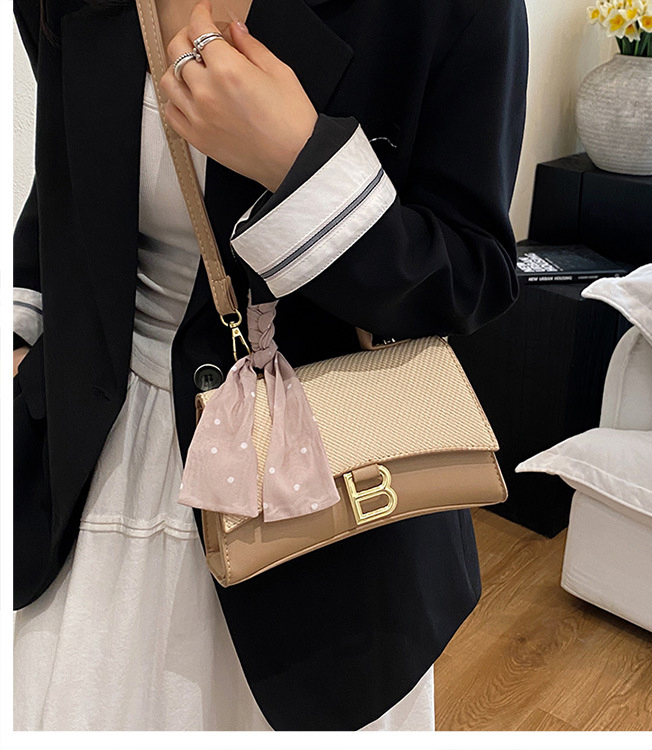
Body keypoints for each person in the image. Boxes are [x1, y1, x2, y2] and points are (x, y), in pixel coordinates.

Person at [12, 0, 528, 731]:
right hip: (92, 466)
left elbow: (471, 276)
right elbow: (63, 190)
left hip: (326, 508)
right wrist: (21, 333)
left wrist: (298, 164)